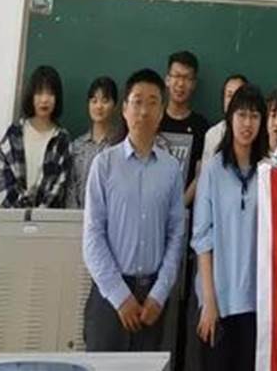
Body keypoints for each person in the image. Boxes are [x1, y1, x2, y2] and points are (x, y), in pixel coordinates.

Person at [82, 68, 186, 352]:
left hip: (153, 300)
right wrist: (120, 297)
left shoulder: (171, 170)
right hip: (110, 297)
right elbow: (92, 237)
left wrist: (159, 294)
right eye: (137, 102)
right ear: (125, 109)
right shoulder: (104, 165)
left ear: (161, 112)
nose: (144, 111)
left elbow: (176, 235)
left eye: (152, 103)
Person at [193, 84, 268, 370]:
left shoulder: (268, 172)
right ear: (230, 118)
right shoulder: (213, 169)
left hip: (256, 302)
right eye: (241, 115)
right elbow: (202, 238)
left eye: (254, 116)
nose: (247, 124)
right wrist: (209, 301)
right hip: (219, 300)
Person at [0, 65, 72, 208]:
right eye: (39, 93)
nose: (44, 99)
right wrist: (24, 212)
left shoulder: (62, 140)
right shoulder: (14, 134)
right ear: (31, 96)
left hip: (48, 219)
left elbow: (59, 187)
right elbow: (1, 181)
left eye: (50, 93)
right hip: (12, 217)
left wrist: (39, 214)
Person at [159, 50, 209, 208]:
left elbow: (201, 173)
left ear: (194, 84)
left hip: (186, 213)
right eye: (176, 76)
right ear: (167, 80)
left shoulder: (201, 126)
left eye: (187, 78)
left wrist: (179, 208)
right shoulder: (154, 121)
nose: (180, 84)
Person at [68, 76, 122, 209]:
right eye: (94, 101)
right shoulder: (77, 146)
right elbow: (70, 188)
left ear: (114, 105)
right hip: (77, 217)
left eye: (105, 101)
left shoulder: (120, 145)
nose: (99, 106)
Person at [201, 74, 249, 168]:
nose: (234, 100)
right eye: (229, 95)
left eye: (238, 95)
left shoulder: (254, 131)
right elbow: (206, 172)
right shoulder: (213, 134)